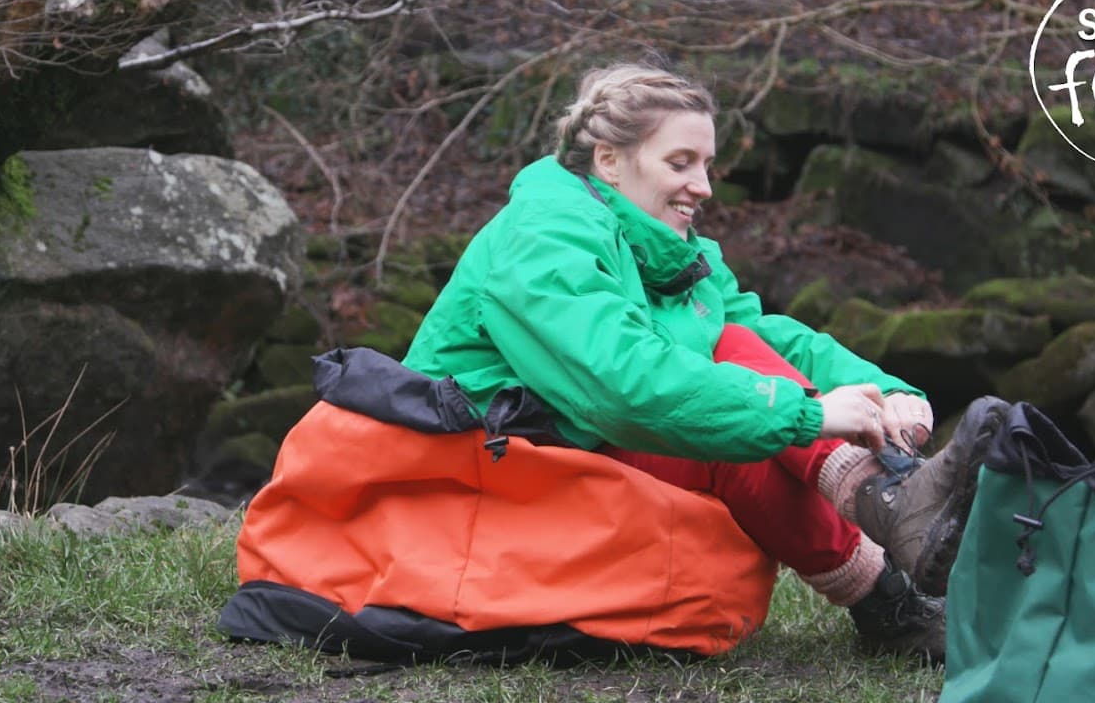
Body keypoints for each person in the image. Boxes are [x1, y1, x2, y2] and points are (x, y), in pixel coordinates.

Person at [403, 63, 997, 664]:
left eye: (707, 165)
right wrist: (807, 414)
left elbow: (763, 335)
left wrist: (886, 394)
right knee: (728, 391)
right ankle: (887, 533)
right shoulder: (543, 237)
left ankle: (889, 568)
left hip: (559, 445)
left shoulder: (665, 248)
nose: (705, 186)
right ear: (609, 161)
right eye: (680, 163)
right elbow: (622, 384)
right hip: (478, 469)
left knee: (732, 363)